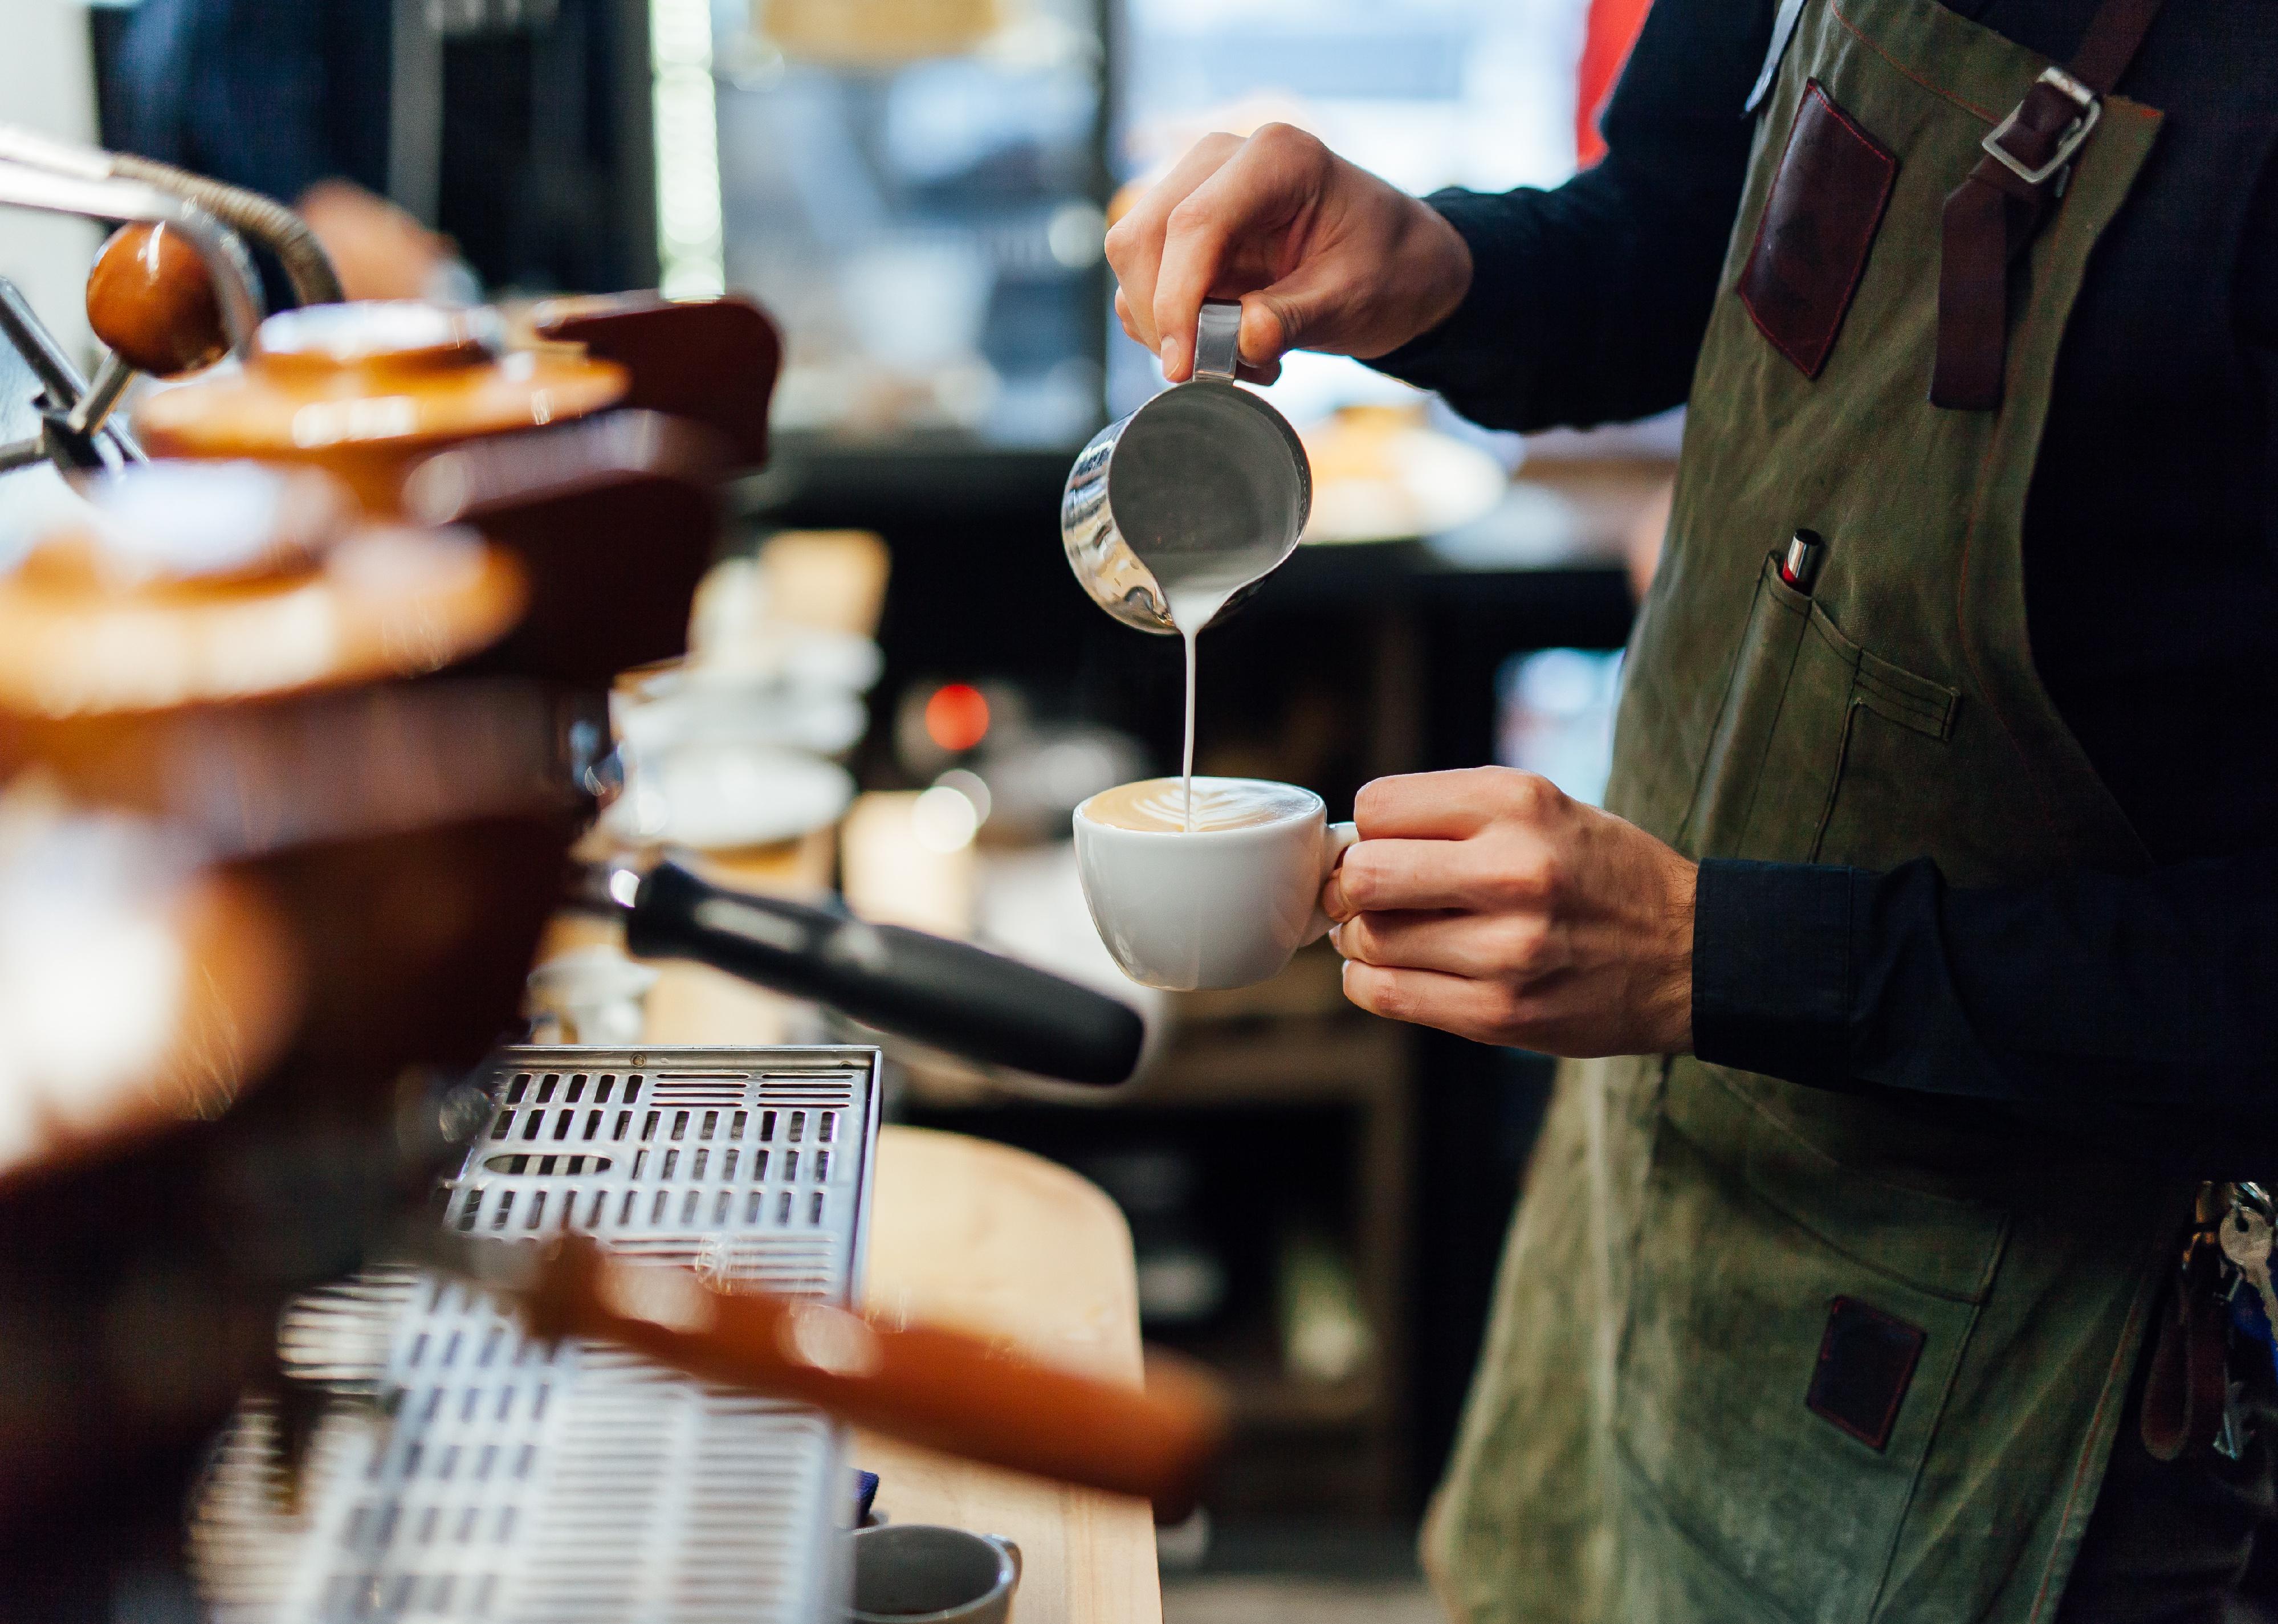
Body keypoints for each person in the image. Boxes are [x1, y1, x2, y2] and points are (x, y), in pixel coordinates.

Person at [1104, 1, 2278, 1621]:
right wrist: (1448, 267)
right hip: (1662, 1159)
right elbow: (1685, 237)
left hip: (2028, 1352)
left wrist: (1720, 951)